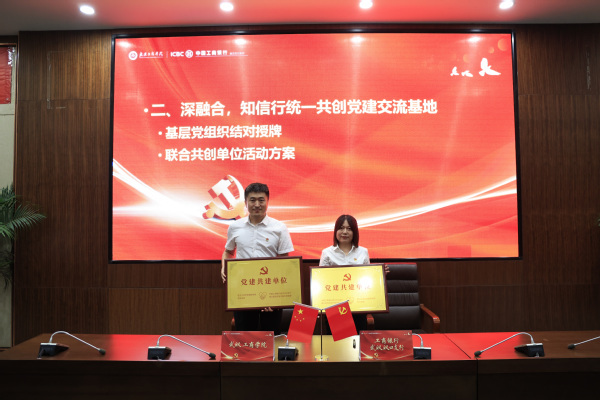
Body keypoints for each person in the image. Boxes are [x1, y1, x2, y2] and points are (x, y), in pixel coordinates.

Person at [221, 182, 294, 334]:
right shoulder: (235, 227)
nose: (257, 204)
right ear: (245, 202)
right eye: (252, 200)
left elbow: (284, 263)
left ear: (268, 201)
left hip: (271, 292)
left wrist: (275, 296)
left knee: (270, 337)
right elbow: (228, 252)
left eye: (261, 200)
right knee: (245, 336)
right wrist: (224, 267)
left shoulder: (279, 228)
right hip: (243, 291)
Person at [319, 214, 371, 332]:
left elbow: (367, 278)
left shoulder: (363, 252)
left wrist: (379, 275)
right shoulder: (327, 253)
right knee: (338, 341)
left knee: (357, 340)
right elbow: (322, 280)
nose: (345, 232)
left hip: (358, 304)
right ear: (336, 231)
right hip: (335, 305)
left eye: (349, 229)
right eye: (341, 228)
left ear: (355, 232)